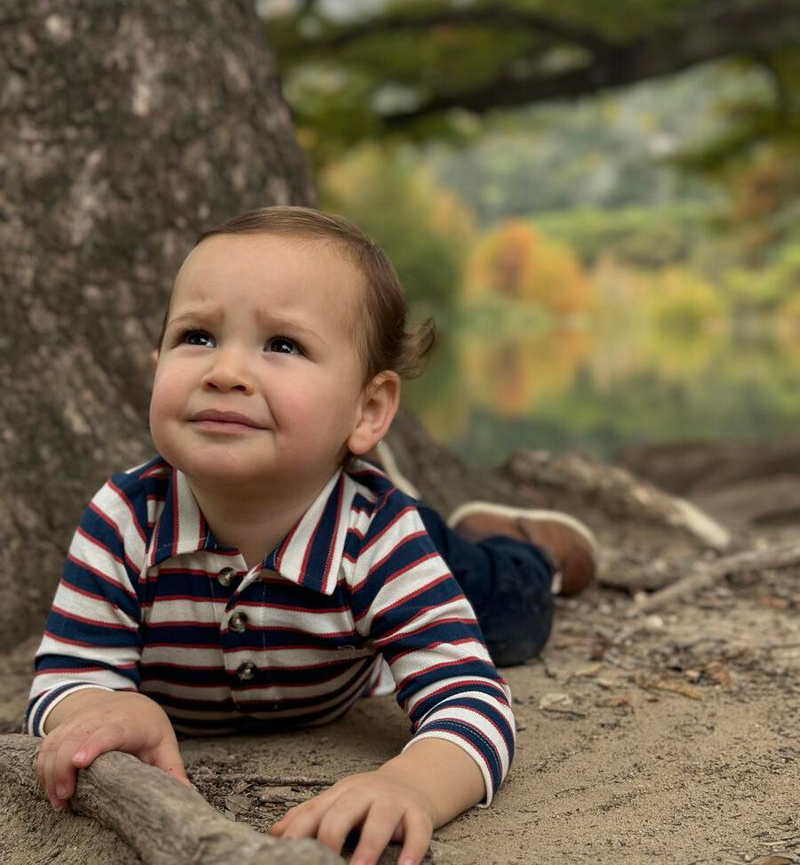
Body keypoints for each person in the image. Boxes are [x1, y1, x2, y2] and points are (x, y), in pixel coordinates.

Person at [28, 206, 597, 865]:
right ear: (157, 363)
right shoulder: (124, 517)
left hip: (387, 542)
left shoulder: (380, 537)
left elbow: (472, 698)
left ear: (368, 409)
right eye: (198, 336)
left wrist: (409, 783)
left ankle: (527, 546)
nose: (225, 371)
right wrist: (99, 707)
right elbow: (62, 682)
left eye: (283, 345)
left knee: (509, 615)